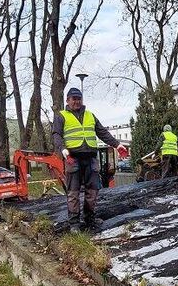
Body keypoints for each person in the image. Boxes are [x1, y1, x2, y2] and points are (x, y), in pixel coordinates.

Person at [52, 87, 128, 232]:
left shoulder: (90, 115)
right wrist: (62, 149)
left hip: (91, 158)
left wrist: (117, 145)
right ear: (67, 100)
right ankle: (74, 223)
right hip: (72, 158)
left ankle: (89, 218)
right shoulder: (61, 116)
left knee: (93, 190)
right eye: (73, 99)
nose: (77, 101)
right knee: (73, 192)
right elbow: (56, 135)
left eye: (79, 98)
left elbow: (102, 132)